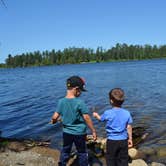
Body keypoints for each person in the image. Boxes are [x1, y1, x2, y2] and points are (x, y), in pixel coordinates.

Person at [51, 75, 97, 166]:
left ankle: (62, 164)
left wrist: (54, 121)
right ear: (76, 89)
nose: (81, 93)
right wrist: (93, 130)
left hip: (66, 132)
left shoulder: (61, 101)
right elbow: (87, 118)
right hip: (79, 133)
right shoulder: (80, 102)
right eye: (80, 91)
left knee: (65, 149)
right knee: (82, 151)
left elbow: (54, 117)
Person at [93, 88, 133, 166]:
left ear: (111, 101)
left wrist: (96, 115)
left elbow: (101, 119)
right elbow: (129, 126)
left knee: (111, 159)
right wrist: (130, 138)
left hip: (112, 141)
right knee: (123, 159)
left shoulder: (107, 113)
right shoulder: (127, 113)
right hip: (123, 140)